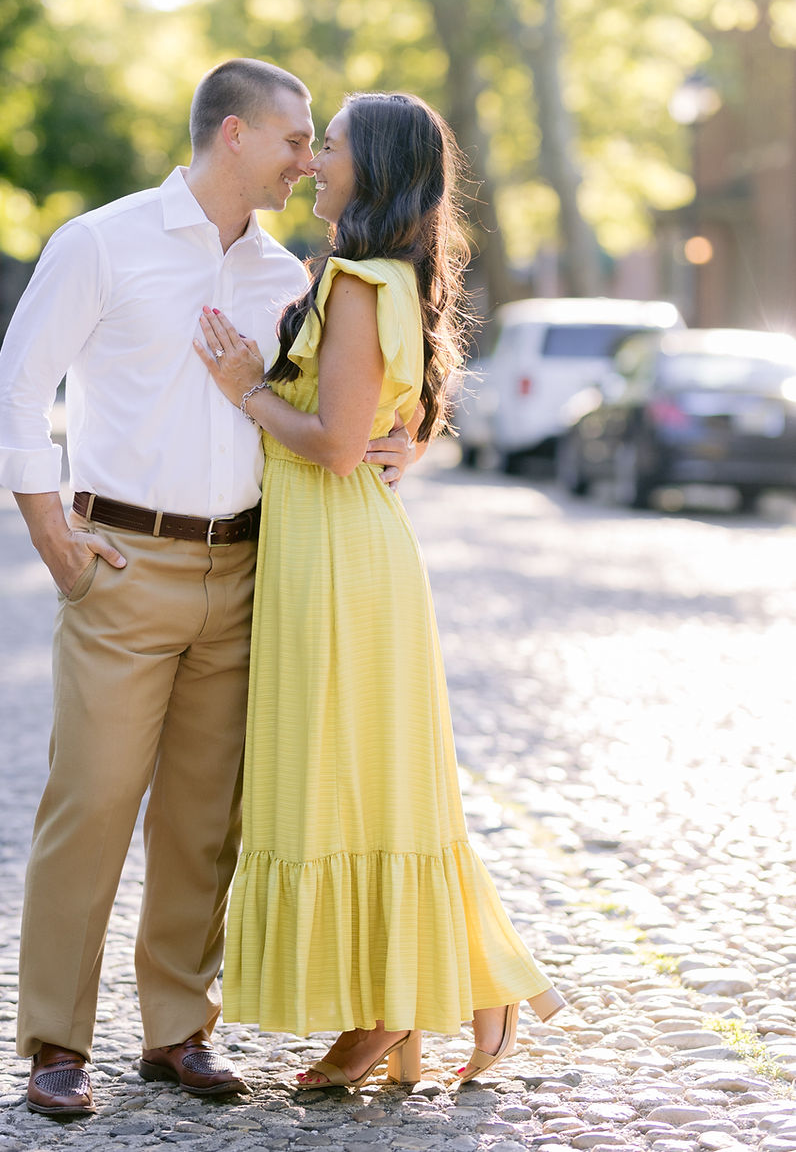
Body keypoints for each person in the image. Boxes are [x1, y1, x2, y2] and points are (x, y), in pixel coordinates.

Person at [0, 59, 416, 1116]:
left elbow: (353, 397)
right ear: (232, 134)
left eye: (318, 144)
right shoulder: (102, 242)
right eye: (293, 139)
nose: (308, 159)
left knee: (203, 821)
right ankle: (55, 1042)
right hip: (123, 566)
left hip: (247, 570)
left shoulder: (286, 278)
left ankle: (178, 1030)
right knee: (87, 805)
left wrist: (406, 438)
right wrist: (52, 533)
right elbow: (19, 384)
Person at [195, 91, 563, 1093]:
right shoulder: (368, 278)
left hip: (338, 563)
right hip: (336, 548)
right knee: (363, 786)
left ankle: (399, 1009)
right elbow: (383, 430)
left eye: (335, 145)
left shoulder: (356, 283)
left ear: (378, 168)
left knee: (344, 787)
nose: (315, 158)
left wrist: (246, 389)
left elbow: (334, 442)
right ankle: (436, 995)